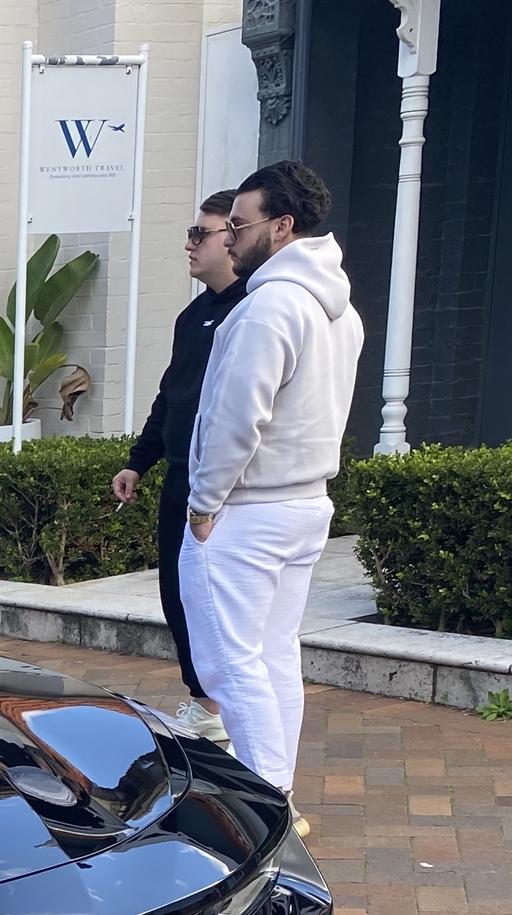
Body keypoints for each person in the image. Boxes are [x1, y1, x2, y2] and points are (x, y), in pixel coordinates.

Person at [182, 159, 365, 798]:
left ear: (282, 226)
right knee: (275, 654)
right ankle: (279, 792)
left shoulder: (269, 308)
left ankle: (269, 807)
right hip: (305, 503)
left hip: (249, 511)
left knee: (230, 666)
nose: (227, 237)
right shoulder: (340, 309)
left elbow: (237, 417)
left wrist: (202, 504)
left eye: (239, 224)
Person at [113, 192, 246, 741]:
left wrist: (214, 494)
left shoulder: (251, 310)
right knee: (178, 592)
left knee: (220, 604)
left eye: (201, 234)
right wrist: (138, 462)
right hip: (180, 479)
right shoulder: (193, 316)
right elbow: (171, 397)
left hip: (226, 487)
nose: (189, 244)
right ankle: (205, 702)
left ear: (231, 239)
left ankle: (232, 712)